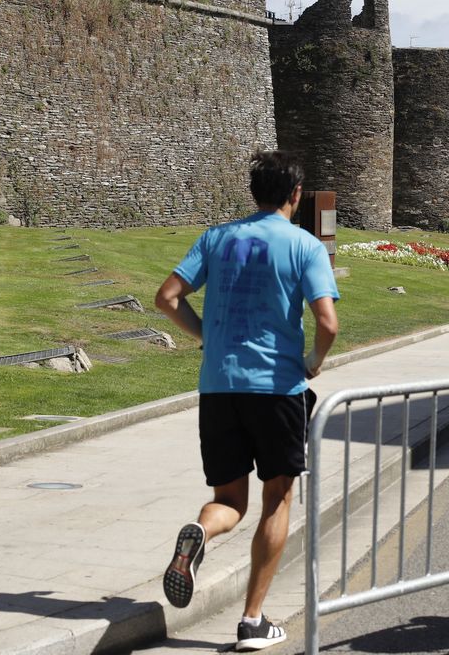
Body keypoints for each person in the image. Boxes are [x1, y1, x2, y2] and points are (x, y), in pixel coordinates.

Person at [154, 151, 339, 652]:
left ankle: (200, 531)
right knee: (276, 498)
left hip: (218, 387)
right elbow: (327, 323)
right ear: (295, 195)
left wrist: (205, 339)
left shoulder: (216, 238)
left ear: (253, 191)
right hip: (277, 390)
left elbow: (166, 297)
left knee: (228, 501)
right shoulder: (305, 245)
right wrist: (314, 363)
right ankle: (252, 621)